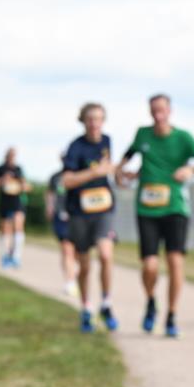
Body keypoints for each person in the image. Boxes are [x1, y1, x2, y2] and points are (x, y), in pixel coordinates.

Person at [116, 94, 194, 338]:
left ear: (170, 111)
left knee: (175, 262)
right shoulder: (142, 135)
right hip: (147, 209)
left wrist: (191, 169)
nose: (158, 115)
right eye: (153, 111)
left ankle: (171, 315)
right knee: (150, 265)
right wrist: (124, 175)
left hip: (175, 208)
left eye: (162, 110)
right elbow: (124, 161)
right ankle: (151, 301)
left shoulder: (183, 138)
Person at [62, 102, 119, 333]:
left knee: (106, 254)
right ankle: (86, 308)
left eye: (98, 119)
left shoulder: (107, 141)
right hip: (79, 211)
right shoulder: (76, 147)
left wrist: (119, 174)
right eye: (90, 119)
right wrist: (93, 173)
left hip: (104, 209)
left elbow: (109, 169)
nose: (95, 124)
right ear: (83, 121)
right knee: (84, 265)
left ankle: (106, 304)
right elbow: (66, 181)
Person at [0, 148, 31, 268]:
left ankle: (16, 256)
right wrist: (1, 180)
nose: (12, 157)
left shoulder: (19, 169)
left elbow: (27, 186)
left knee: (18, 227)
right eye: (10, 155)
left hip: (17, 202)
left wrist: (22, 185)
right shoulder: (0, 169)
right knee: (5, 230)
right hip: (5, 202)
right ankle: (5, 255)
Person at [46, 152, 78, 297]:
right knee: (66, 248)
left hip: (77, 216)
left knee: (76, 251)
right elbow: (50, 193)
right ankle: (70, 281)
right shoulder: (55, 177)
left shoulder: (79, 175)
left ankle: (73, 272)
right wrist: (49, 207)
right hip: (61, 215)